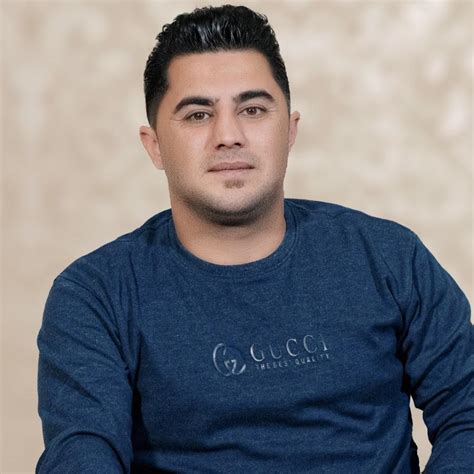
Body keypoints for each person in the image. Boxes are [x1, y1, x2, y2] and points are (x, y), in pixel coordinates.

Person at [36, 4, 473, 473]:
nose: (229, 135)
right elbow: (81, 456)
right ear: (155, 145)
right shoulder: (95, 294)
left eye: (253, 109)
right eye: (198, 114)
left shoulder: (389, 258)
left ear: (289, 129)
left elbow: (466, 414)